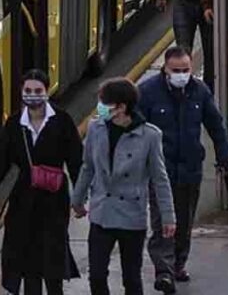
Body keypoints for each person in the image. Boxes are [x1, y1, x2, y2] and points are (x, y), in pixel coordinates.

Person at [0, 70, 84, 295]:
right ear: (22, 93)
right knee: (28, 264)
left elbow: (76, 161)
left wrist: (80, 198)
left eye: (38, 91)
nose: (33, 95)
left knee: (53, 261)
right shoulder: (15, 124)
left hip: (55, 200)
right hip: (23, 201)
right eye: (28, 91)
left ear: (46, 92)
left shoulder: (62, 121)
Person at [138, 46, 228, 293]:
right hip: (161, 172)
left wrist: (226, 159)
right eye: (176, 71)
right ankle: (164, 271)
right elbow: (135, 132)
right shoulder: (148, 93)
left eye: (186, 70)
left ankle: (178, 263)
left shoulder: (199, 91)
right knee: (163, 223)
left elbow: (216, 126)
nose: (181, 75)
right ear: (165, 70)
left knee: (184, 221)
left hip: (190, 169)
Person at [71, 78, 175, 295]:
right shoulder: (95, 129)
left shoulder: (149, 136)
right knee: (97, 274)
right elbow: (88, 167)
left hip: (131, 216)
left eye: (104, 103)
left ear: (121, 107)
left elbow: (160, 179)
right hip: (102, 213)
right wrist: (77, 199)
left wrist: (168, 217)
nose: (100, 107)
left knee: (131, 277)